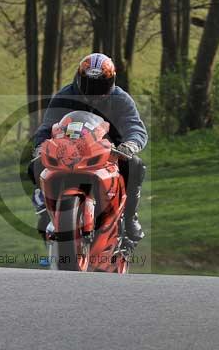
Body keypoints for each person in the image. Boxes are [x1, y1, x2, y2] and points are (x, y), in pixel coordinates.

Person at [28, 52, 148, 241]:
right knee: (35, 164)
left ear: (111, 81)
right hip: (69, 151)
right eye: (89, 84)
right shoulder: (64, 96)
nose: (94, 90)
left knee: (136, 165)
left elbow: (134, 125)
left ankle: (130, 217)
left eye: (100, 85)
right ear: (79, 79)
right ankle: (44, 205)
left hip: (110, 152)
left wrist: (130, 145)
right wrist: (41, 146)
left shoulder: (121, 99)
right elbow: (47, 126)